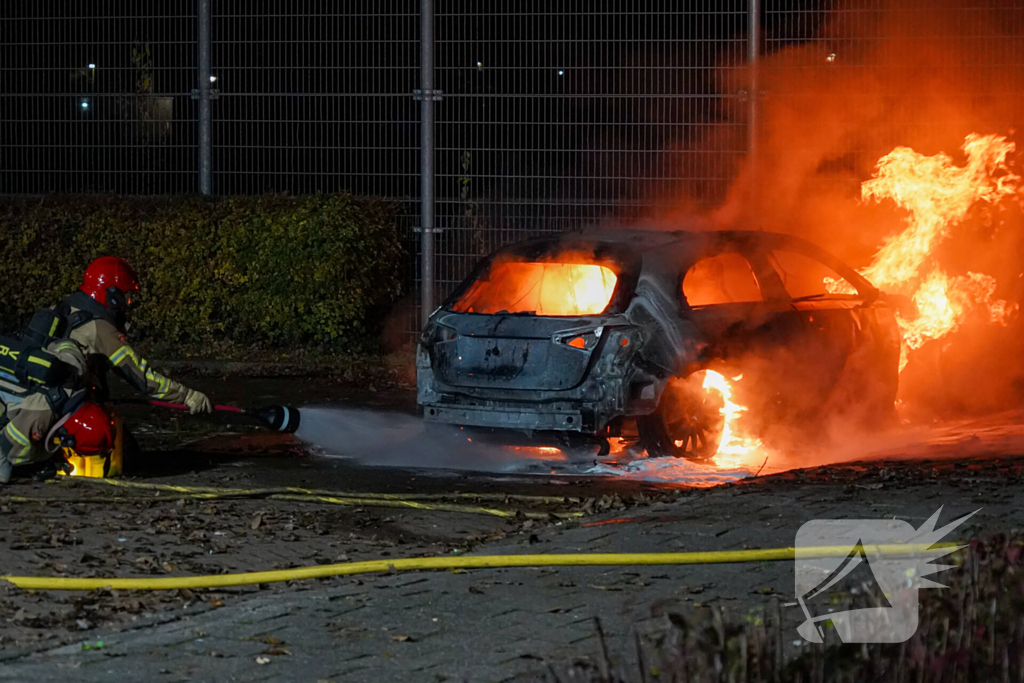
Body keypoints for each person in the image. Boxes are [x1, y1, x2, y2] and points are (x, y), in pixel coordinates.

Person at [54, 256, 213, 415]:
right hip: (67, 407)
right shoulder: (99, 329)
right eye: (126, 294)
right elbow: (141, 377)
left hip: (49, 401)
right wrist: (187, 396)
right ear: (112, 294)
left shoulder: (64, 309)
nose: (129, 301)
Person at [0, 337, 107, 483]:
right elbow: (11, 449)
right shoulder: (41, 415)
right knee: (3, 473)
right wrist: (47, 457)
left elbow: (65, 343)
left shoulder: (78, 368)